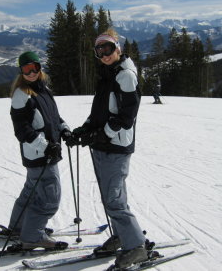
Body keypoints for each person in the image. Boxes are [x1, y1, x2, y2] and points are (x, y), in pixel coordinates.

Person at [68, 29, 149, 269]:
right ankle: (123, 236)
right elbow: (101, 111)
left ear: (118, 48)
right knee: (111, 196)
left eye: (108, 48)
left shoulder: (125, 75)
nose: (104, 54)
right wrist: (84, 130)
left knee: (114, 199)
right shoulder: (108, 73)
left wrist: (102, 133)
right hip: (103, 145)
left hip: (116, 145)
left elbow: (126, 117)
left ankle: (136, 248)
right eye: (99, 50)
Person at [0, 51, 72, 250]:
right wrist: (46, 146)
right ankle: (32, 236)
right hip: (41, 155)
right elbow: (22, 131)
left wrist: (64, 129)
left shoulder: (42, 89)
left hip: (43, 153)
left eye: (35, 68)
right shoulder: (21, 95)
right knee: (49, 198)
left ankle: (18, 227)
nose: (31, 73)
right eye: (26, 69)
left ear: (40, 68)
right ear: (21, 72)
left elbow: (52, 116)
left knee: (31, 192)